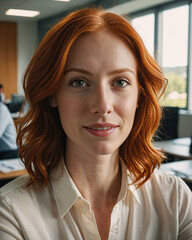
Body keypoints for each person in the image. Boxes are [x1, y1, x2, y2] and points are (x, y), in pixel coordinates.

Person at [0, 8, 191, 240]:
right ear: (52, 94)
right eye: (79, 82)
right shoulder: (11, 212)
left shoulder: (176, 200)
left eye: (120, 81)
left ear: (139, 95)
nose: (102, 105)